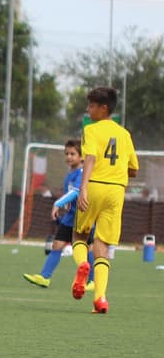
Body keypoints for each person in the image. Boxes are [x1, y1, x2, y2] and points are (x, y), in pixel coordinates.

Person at [70, 87, 138, 314]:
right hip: (116, 191)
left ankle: (82, 265)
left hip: (96, 185)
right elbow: (133, 170)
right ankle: (100, 298)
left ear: (103, 108)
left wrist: (84, 188)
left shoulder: (91, 130)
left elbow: (89, 158)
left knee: (79, 235)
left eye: (91, 105)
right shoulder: (125, 135)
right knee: (103, 245)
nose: (88, 110)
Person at [24, 139, 93, 289]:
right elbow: (70, 194)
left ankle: (92, 281)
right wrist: (65, 208)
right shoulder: (70, 173)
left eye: (73, 154)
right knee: (57, 245)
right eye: (67, 153)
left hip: (82, 216)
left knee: (86, 248)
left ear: (81, 157)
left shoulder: (82, 173)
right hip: (70, 217)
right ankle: (44, 277)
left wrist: (58, 204)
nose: (69, 157)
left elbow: (76, 192)